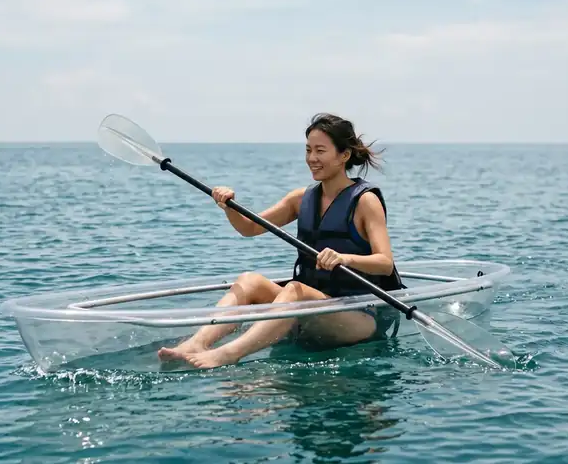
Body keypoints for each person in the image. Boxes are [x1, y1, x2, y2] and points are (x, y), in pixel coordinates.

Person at [157, 113, 405, 368]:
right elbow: (249, 228)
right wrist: (228, 206)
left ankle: (228, 354)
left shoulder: (365, 201)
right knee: (250, 281)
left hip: (359, 315)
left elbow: (385, 263)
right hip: (312, 307)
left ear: (344, 155)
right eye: (308, 150)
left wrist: (344, 258)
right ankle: (197, 343)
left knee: (295, 290)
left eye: (320, 151)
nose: (312, 158)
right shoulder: (301, 199)